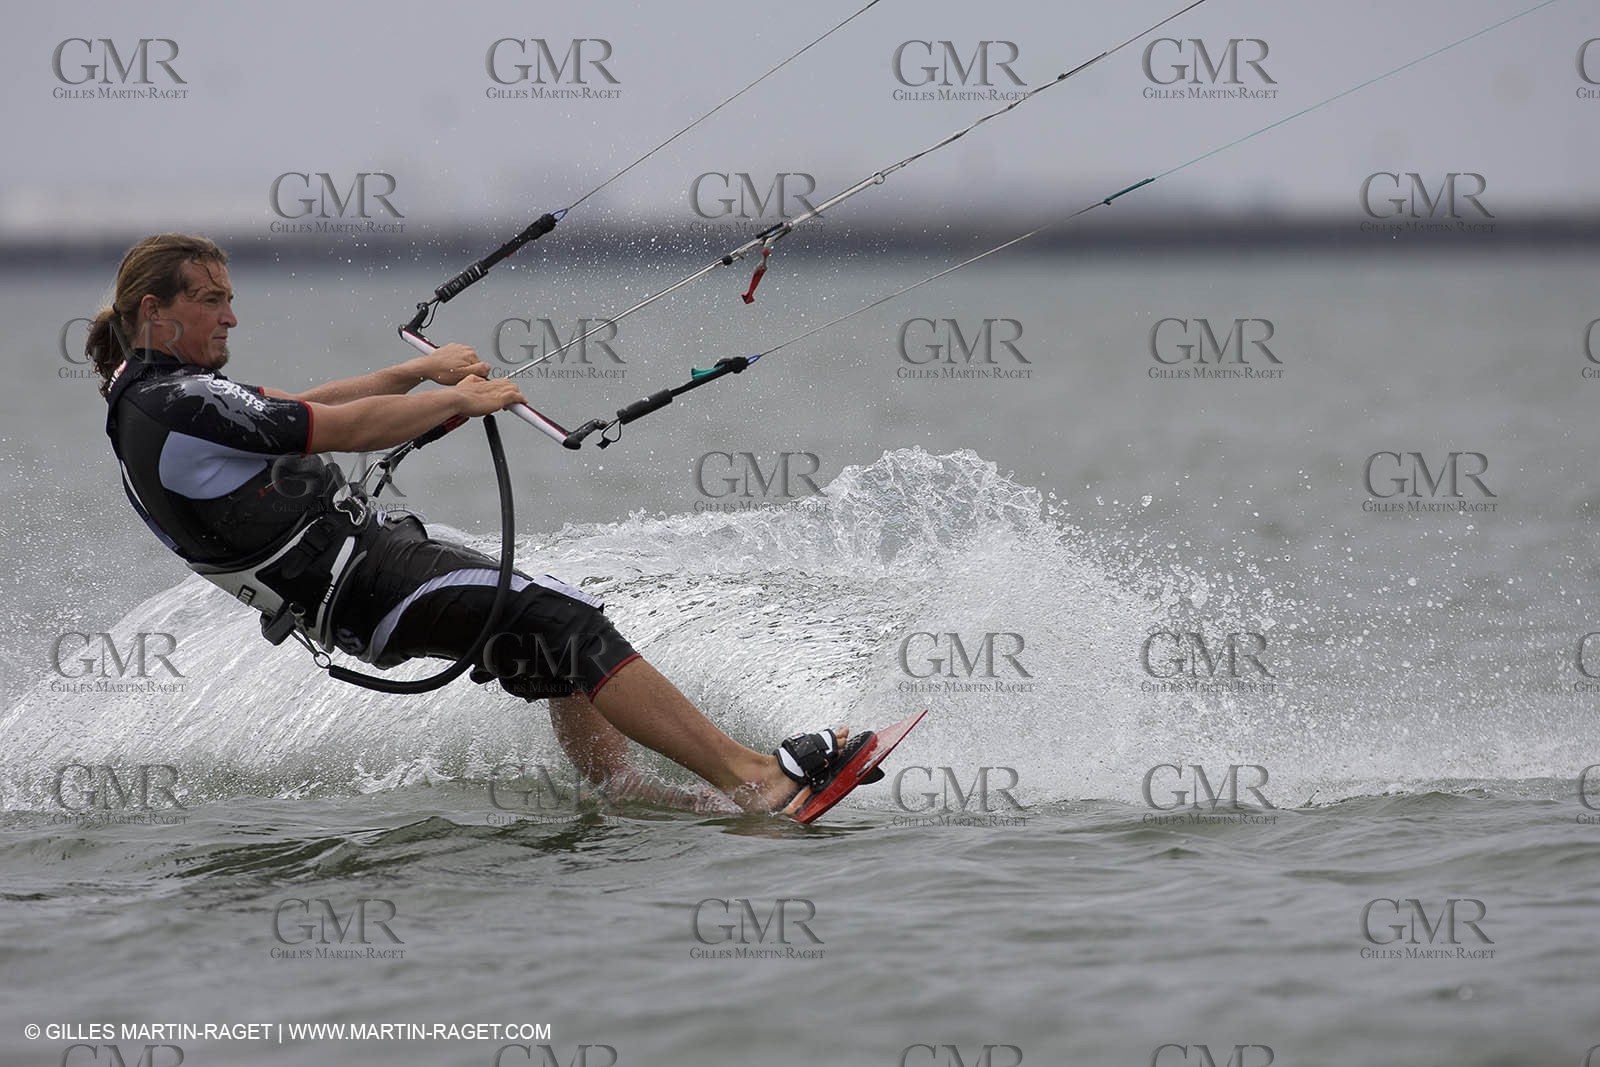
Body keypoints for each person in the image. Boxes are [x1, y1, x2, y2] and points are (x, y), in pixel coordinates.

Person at [90, 232, 862, 817]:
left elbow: (305, 407)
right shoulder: (173, 403)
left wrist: (414, 374)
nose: (230, 315)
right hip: (362, 584)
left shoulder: (161, 392)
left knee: (553, 633)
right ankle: (755, 782)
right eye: (209, 300)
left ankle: (633, 797)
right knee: (566, 621)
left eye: (228, 297)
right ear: (153, 311)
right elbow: (342, 430)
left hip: (363, 573)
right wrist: (459, 400)